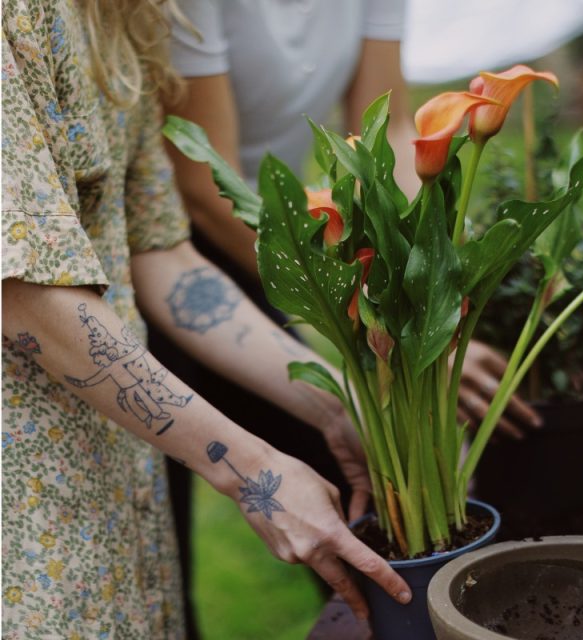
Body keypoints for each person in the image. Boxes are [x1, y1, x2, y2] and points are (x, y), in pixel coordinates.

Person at [1, 2, 409, 637]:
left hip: (109, 467)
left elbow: (160, 251)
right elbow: (21, 290)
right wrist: (253, 471)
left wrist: (338, 404)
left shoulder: (127, 15)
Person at [156, 2, 542, 633]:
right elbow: (201, 182)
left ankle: (367, 618)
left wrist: (430, 288)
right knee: (157, 523)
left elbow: (389, 133)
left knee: (347, 463)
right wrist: (354, 300)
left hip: (290, 237)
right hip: (200, 234)